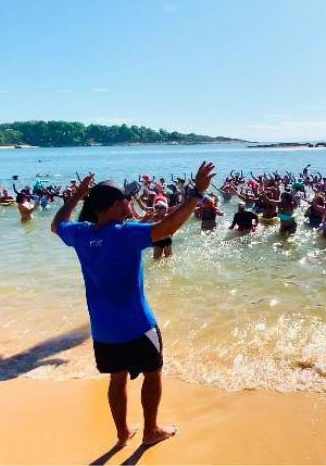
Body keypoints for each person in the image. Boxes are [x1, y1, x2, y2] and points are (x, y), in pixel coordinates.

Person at [51, 161, 215, 448]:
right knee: (153, 374)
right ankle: (150, 431)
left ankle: (122, 433)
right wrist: (197, 194)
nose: (129, 202)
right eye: (125, 199)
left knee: (117, 379)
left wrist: (78, 194)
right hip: (138, 326)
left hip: (103, 330)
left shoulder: (80, 234)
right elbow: (168, 227)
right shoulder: (125, 233)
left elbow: (57, 224)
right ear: (114, 205)